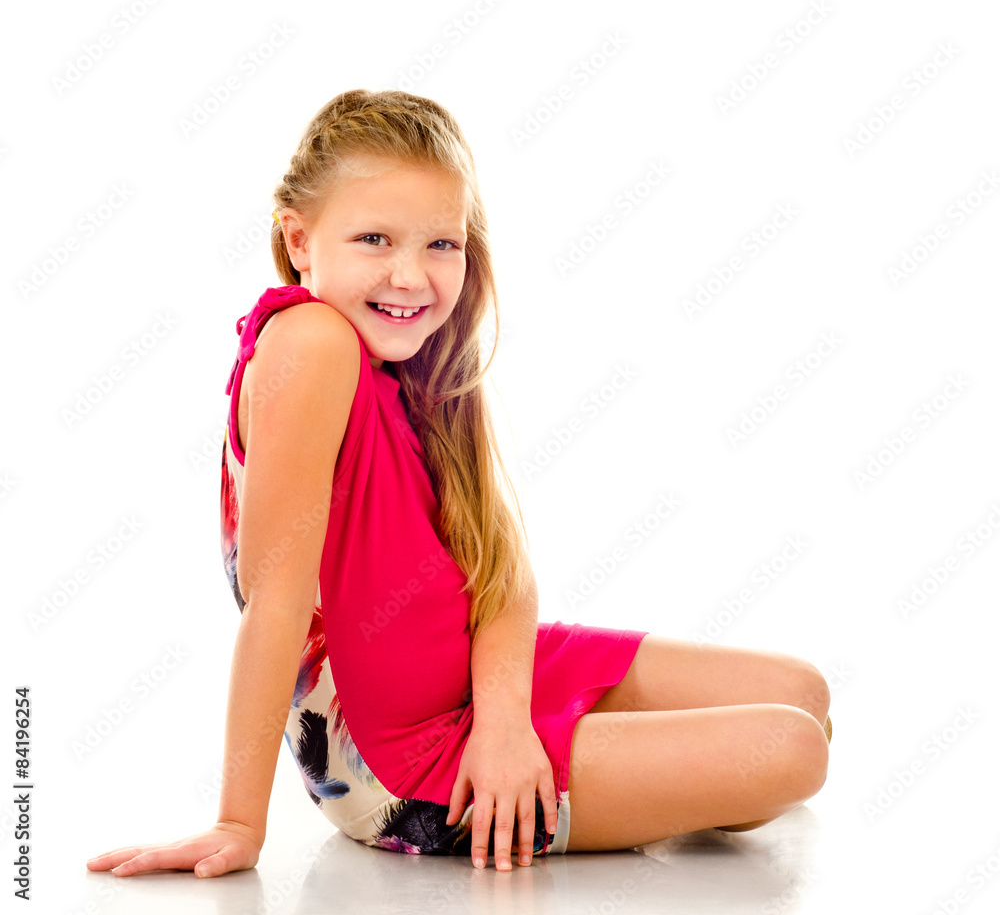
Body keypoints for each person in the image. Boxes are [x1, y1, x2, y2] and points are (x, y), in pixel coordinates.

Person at [86, 88, 832, 880]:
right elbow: (275, 602)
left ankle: (631, 778)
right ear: (299, 240)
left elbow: (499, 571)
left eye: (442, 243)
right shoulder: (311, 343)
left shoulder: (425, 362)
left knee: (803, 694)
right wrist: (238, 821)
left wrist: (506, 722)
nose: (411, 276)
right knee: (790, 748)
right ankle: (646, 783)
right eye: (374, 239)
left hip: (485, 685)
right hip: (407, 761)